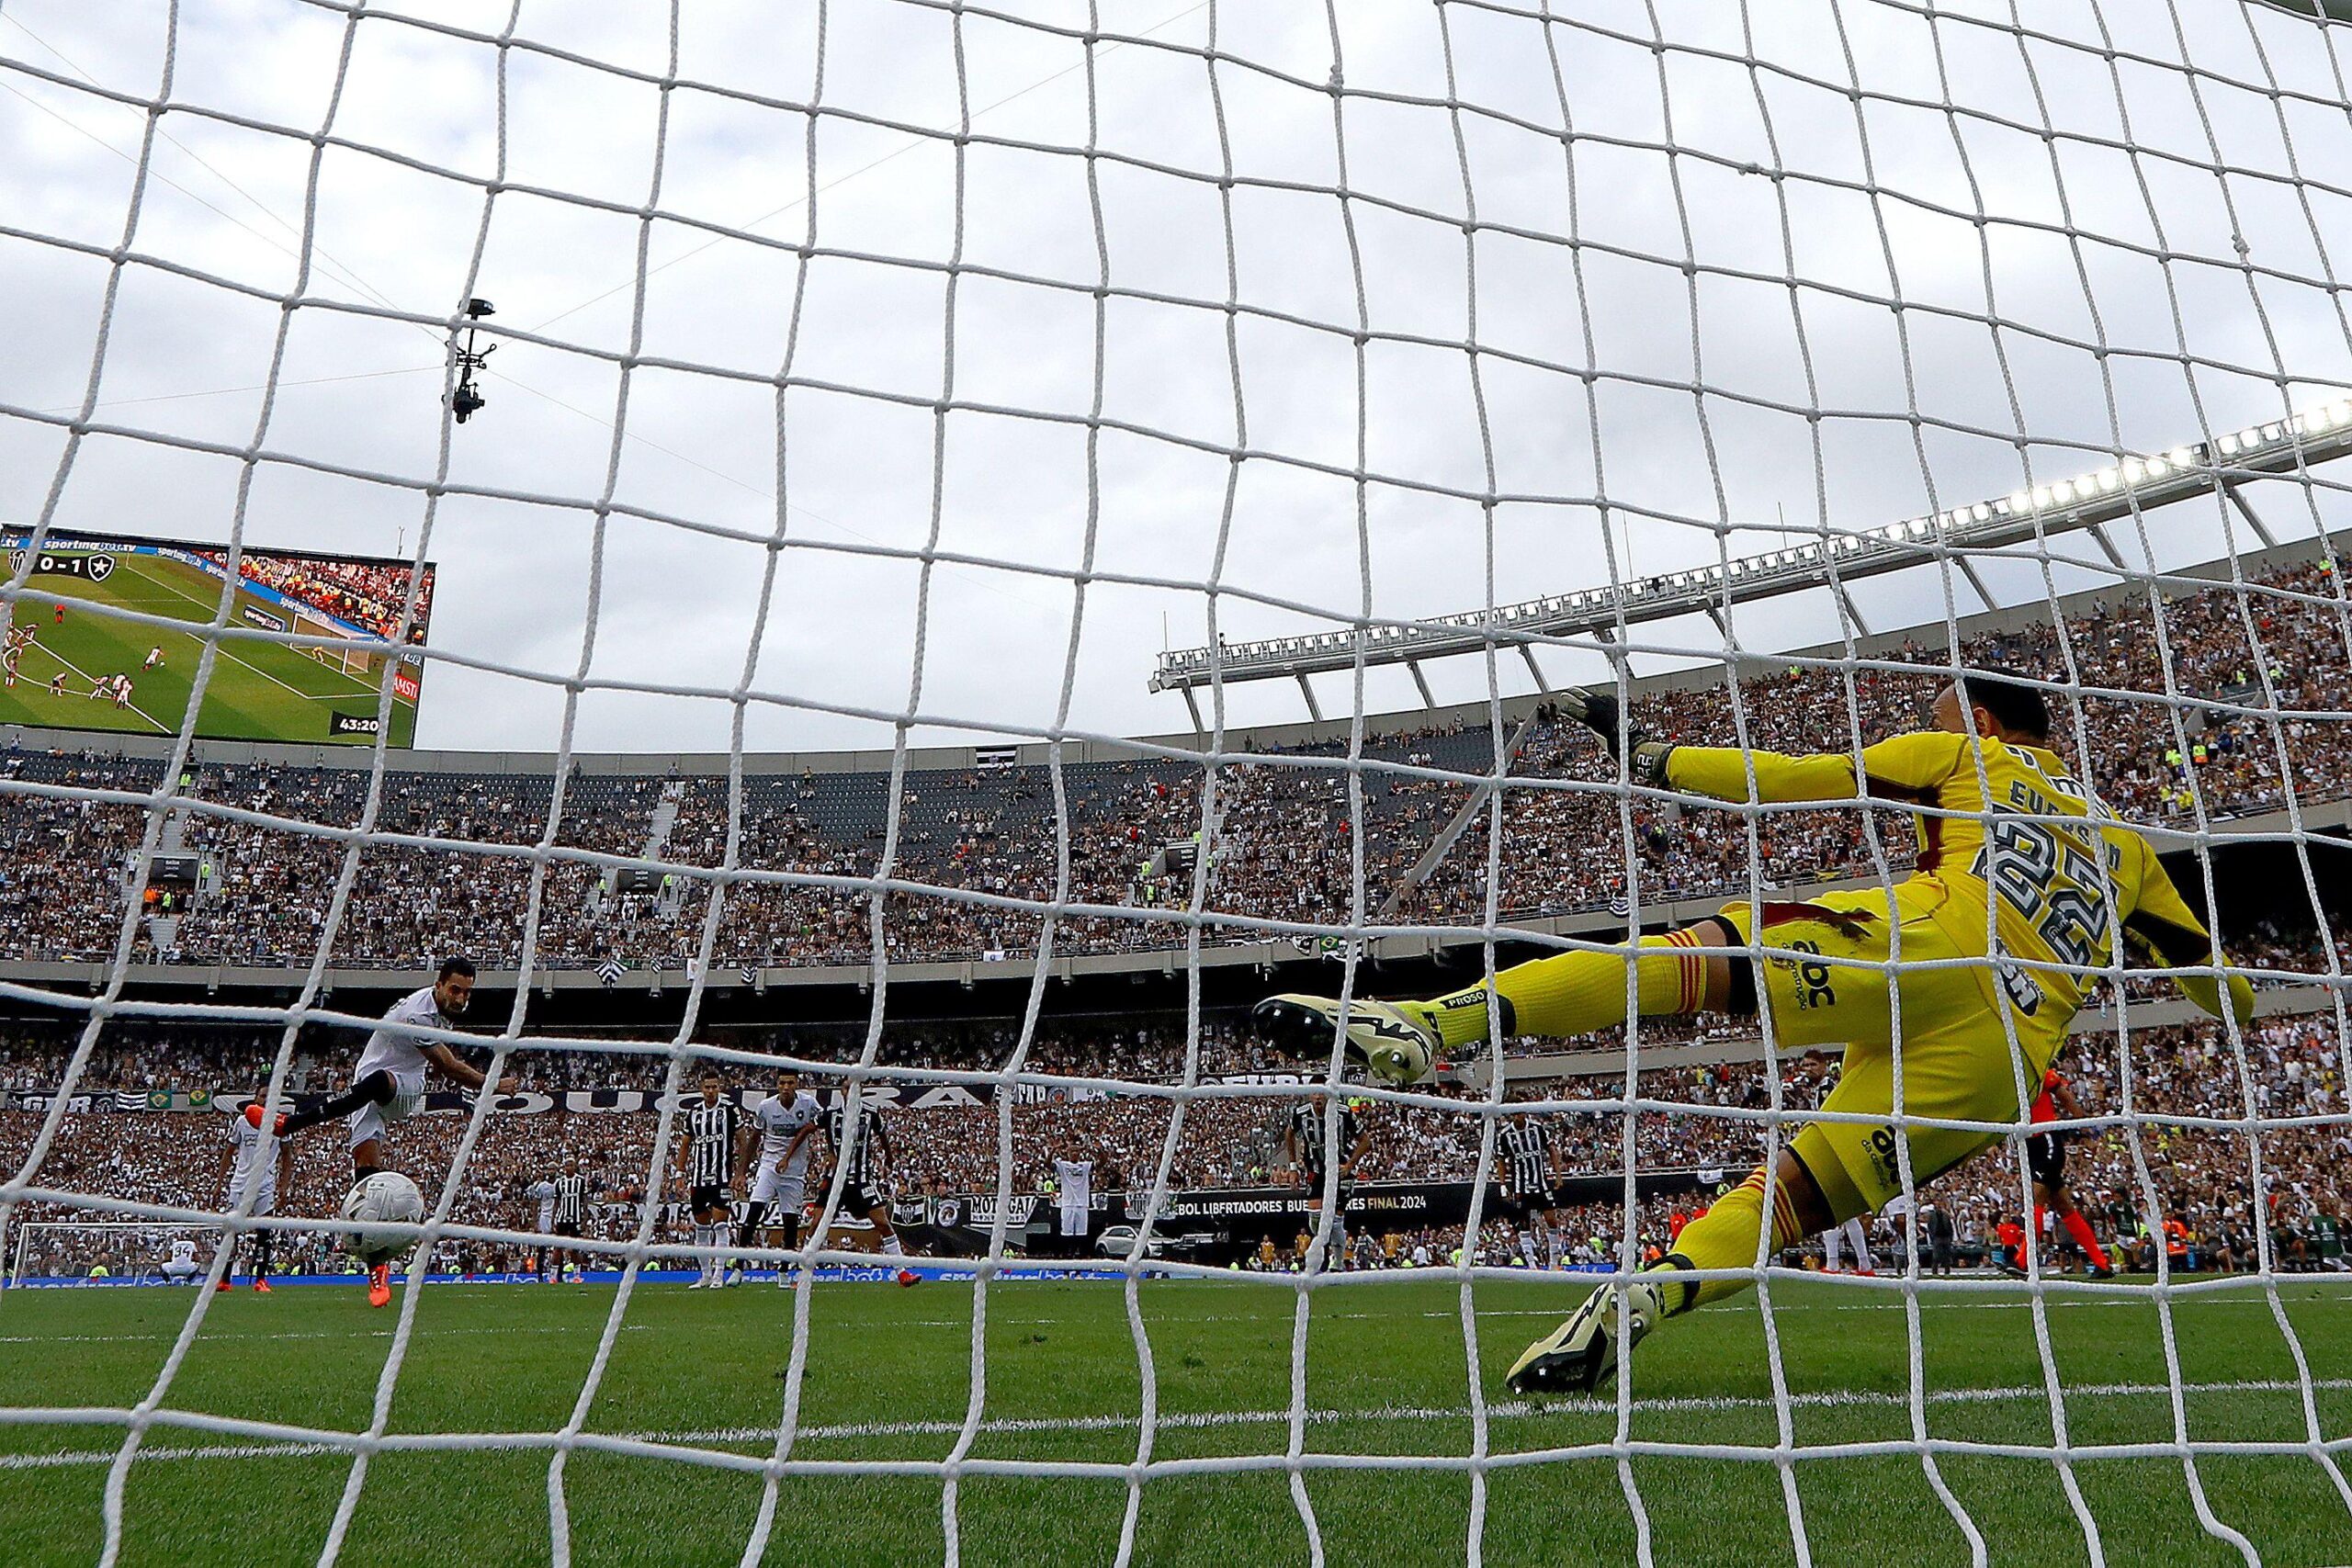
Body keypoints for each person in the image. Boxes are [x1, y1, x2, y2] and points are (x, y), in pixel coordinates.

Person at [1254, 669, 2255, 1393]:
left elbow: (1782, 781)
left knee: (1671, 966)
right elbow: (2220, 989)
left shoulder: (1963, 753)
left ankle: (1427, 1026)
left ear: (1981, 718)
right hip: (2000, 1063)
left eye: (1937, 709)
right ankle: (1644, 1298)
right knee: (1784, 1202)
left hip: (1921, 947)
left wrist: (1647, 754)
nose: (1926, 721)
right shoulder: (2128, 846)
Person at [246, 957, 513, 1307]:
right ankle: (378, 1271)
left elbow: (442, 1063)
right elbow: (450, 1066)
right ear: (439, 985)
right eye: (455, 990)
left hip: (402, 1087)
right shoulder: (420, 1012)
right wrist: (492, 1083)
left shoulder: (431, 1012)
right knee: (366, 1180)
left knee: (378, 1082)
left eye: (466, 992)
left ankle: (288, 1123)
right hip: (367, 1083)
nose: (461, 998)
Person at [784, 1085, 917, 1281]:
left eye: (855, 1088)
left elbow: (882, 1135)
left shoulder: (870, 1113)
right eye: (847, 1088)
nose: (851, 1091)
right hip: (834, 1180)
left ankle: (902, 1272)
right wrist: (787, 1157)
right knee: (817, 1225)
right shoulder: (831, 1114)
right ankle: (802, 1275)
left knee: (882, 1224)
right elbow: (806, 1130)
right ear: (842, 1092)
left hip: (861, 1180)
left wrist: (889, 1158)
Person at [2027, 1064, 2115, 1279]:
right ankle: (2102, 1264)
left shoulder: (2038, 1071)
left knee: (2036, 1199)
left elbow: (2065, 1097)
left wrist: (2084, 1127)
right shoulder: (2011, 1081)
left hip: (2047, 1138)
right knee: (2065, 1208)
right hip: (2030, 1143)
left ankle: (2023, 1261)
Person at [738, 1066, 820, 1287]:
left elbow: (821, 1122)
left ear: (797, 1083)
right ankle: (738, 1267)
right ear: (777, 1085)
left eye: (790, 1083)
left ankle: (784, 1271)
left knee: (790, 1222)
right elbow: (755, 1138)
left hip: (795, 1171)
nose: (786, 1088)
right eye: (782, 1083)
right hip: (769, 1166)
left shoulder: (809, 1104)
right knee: (753, 1213)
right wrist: (741, 1171)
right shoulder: (766, 1107)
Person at [1280, 1094, 1373, 1269]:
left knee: (1336, 1218)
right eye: (1315, 1094)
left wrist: (1350, 1164)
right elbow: (1289, 1133)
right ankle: (1323, 1251)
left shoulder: (1344, 1113)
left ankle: (1337, 1263)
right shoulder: (1301, 1114)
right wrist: (1293, 1167)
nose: (1318, 1098)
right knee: (1314, 1217)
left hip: (1340, 1171)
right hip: (1315, 1171)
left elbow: (1366, 1141)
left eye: (1321, 1094)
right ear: (1309, 1095)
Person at [675, 1069, 747, 1289]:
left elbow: (743, 1142)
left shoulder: (729, 1110)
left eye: (714, 1087)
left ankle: (718, 1276)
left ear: (720, 1088)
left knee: (721, 1225)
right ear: (701, 1088)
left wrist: (739, 1172)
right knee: (701, 1228)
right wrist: (680, 1173)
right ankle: (705, 1275)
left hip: (721, 1178)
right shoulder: (694, 1113)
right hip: (698, 1180)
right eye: (707, 1087)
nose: (710, 1091)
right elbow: (686, 1144)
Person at [219, 1088, 292, 1292]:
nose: (266, 1099)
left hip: (265, 1185)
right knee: (231, 1232)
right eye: (262, 1096)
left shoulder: (280, 1123)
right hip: (240, 1184)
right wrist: (219, 1183)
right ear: (255, 1099)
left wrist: (284, 1186)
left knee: (264, 1234)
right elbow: (228, 1152)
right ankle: (225, 1279)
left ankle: (260, 1279)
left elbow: (287, 1156)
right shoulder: (242, 1122)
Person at [1052, 1147, 1095, 1257]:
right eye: (1072, 1151)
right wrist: (1052, 1150)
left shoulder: (1085, 1166)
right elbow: (1048, 1165)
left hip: (1082, 1204)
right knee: (1066, 1233)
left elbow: (1102, 1163)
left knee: (1082, 1234)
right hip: (1067, 1204)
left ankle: (1081, 1259)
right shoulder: (1063, 1165)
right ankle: (1066, 1257)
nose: (1074, 1153)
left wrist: (1100, 1151)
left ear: (1080, 1154)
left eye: (1077, 1151)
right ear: (1068, 1153)